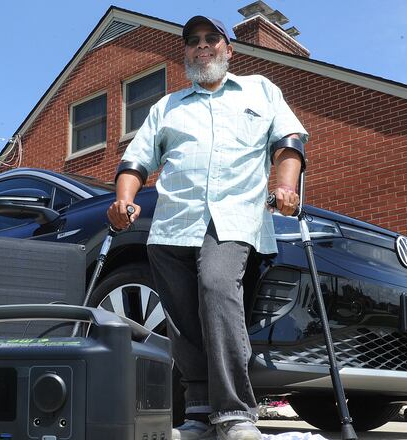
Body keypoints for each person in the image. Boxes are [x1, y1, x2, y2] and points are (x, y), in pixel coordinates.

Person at [107, 15, 308, 440]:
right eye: (192, 41)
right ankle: (199, 413)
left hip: (233, 218)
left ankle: (236, 414)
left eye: (211, 39)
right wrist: (124, 200)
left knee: (217, 288)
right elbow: (136, 161)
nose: (202, 46)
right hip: (172, 224)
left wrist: (286, 187)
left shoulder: (260, 90)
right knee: (182, 318)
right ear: (185, 53)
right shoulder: (167, 107)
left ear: (228, 48)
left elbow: (288, 142)